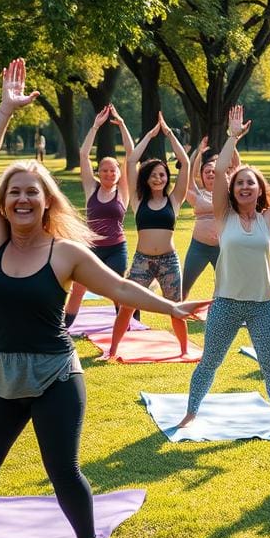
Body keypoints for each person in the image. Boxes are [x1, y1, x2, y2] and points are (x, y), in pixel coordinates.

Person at [0, 59, 209, 538]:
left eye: (31, 192)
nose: (21, 198)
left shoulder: (65, 252)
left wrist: (171, 304)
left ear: (46, 202)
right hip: (1, 373)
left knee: (62, 467)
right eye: (13, 191)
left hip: (56, 373)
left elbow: (121, 287)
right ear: (2, 201)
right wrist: (5, 110)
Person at [178, 106, 270, 437]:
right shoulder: (222, 214)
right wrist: (231, 137)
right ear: (232, 188)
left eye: (251, 184)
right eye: (240, 183)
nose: (244, 187)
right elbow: (224, 170)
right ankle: (190, 412)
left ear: (259, 190)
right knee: (210, 362)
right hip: (226, 302)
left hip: (264, 305)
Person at [106, 114, 190, 359]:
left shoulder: (174, 200)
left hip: (169, 261)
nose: (158, 178)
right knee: (126, 308)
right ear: (147, 178)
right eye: (153, 174)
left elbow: (185, 163)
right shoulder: (138, 200)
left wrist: (170, 134)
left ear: (167, 178)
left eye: (162, 175)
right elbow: (131, 161)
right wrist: (151, 136)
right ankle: (112, 351)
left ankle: (184, 351)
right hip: (142, 261)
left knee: (176, 309)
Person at [63, 104, 133, 328]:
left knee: (116, 288)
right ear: (98, 172)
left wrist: (122, 125)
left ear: (118, 173)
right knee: (78, 289)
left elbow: (130, 154)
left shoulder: (122, 190)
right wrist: (95, 126)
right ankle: (64, 328)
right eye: (104, 170)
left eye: (113, 170)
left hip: (116, 248)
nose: (109, 173)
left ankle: (127, 326)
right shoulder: (91, 188)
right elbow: (83, 154)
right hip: (91, 246)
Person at [182, 135, 240, 299]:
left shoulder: (230, 193)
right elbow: (189, 173)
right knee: (185, 284)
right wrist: (197, 153)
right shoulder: (197, 195)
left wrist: (232, 141)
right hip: (198, 247)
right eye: (207, 171)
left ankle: (225, 312)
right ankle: (178, 312)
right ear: (202, 175)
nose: (211, 174)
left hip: (223, 247)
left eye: (214, 171)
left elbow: (237, 166)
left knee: (227, 286)